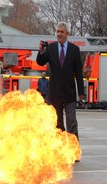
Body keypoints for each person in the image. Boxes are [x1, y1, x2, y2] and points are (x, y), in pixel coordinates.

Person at [36, 22, 85, 150]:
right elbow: (40, 62)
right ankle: (60, 150)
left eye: (61, 32)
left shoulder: (74, 50)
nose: (59, 34)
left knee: (71, 123)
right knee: (57, 124)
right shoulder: (51, 48)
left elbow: (78, 73)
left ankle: (74, 150)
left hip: (69, 93)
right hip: (54, 93)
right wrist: (40, 51)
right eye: (57, 31)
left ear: (67, 34)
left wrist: (81, 93)